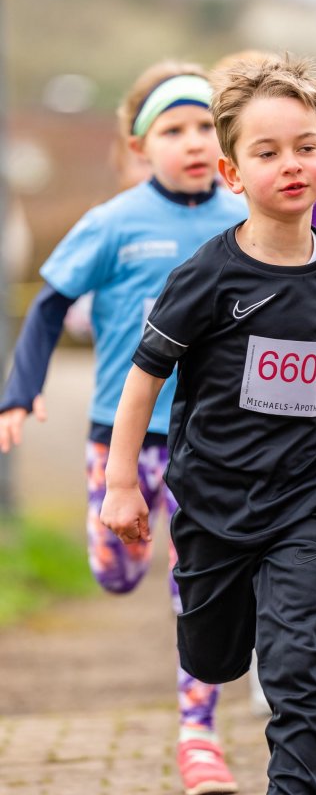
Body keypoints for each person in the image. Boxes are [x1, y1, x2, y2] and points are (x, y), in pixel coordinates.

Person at [100, 53, 316, 794]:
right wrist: (122, 483)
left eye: (304, 147)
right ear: (232, 174)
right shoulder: (206, 276)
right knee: (214, 656)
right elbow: (143, 379)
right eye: (266, 152)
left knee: (301, 663)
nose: (290, 164)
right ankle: (228, 629)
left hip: (306, 501)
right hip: (214, 504)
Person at [0, 59, 248, 795]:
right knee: (116, 574)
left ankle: (199, 737)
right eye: (173, 130)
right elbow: (49, 303)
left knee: (195, 591)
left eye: (205, 126)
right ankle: (118, 547)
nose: (194, 141)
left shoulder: (243, 219)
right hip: (122, 438)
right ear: (140, 146)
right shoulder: (113, 222)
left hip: (211, 439)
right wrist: (20, 391)